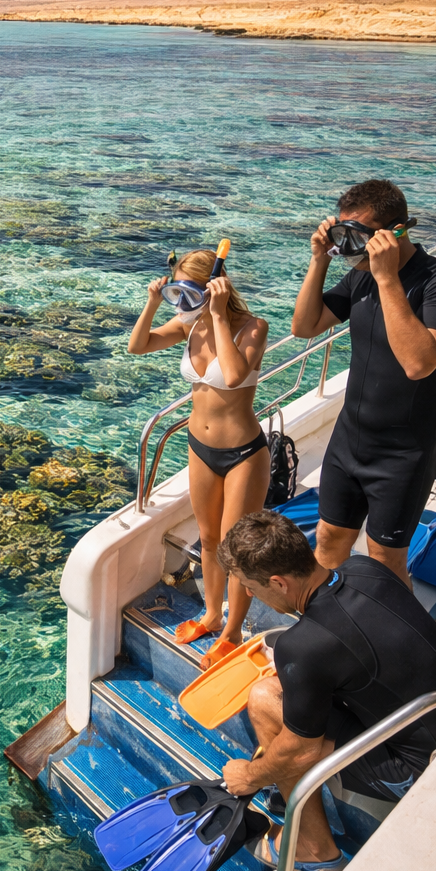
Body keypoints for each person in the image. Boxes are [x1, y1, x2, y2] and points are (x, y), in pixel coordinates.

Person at [216, 510, 436, 871]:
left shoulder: (304, 646)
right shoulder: (365, 570)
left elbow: (302, 749)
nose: (248, 593)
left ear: (278, 583)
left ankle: (314, 851)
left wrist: (249, 776)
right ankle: (291, 793)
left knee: (265, 700)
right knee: (289, 697)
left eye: (250, 585)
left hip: (425, 772)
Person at [291, 179, 436, 584]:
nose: (348, 247)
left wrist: (387, 278)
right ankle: (331, 629)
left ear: (397, 231)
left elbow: (418, 364)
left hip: (403, 453)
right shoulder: (359, 276)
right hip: (349, 439)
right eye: (342, 234)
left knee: (385, 561)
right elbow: (304, 326)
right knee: (329, 541)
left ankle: (391, 643)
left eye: (357, 236)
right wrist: (320, 259)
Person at [129, 246, 270, 662]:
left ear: (215, 288)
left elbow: (232, 375)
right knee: (208, 540)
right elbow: (138, 346)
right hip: (200, 447)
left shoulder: (253, 327)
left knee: (236, 548)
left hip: (243, 453)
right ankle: (210, 615)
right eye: (178, 293)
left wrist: (221, 315)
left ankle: (232, 631)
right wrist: (154, 303)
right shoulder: (191, 324)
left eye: (192, 293)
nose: (184, 303)